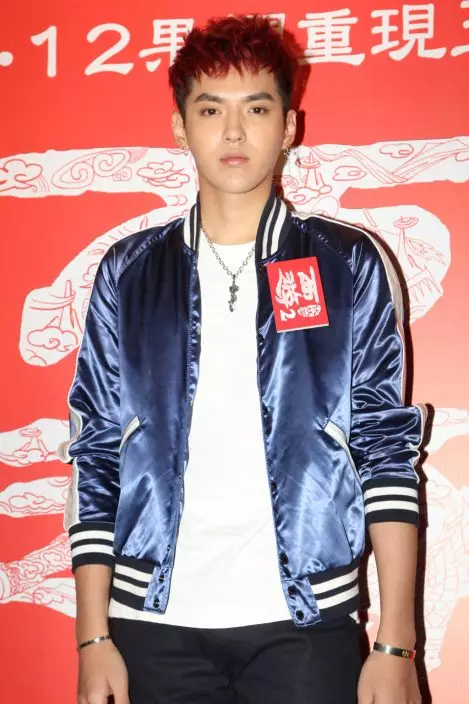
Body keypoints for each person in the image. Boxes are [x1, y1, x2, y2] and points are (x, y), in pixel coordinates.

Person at [59, 15, 426, 704]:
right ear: (180, 126)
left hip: (306, 623)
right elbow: (97, 453)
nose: (233, 132)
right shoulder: (129, 272)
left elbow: (384, 449)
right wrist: (92, 636)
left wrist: (395, 645)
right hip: (151, 625)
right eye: (210, 110)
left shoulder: (345, 263)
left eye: (256, 109)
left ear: (288, 126)